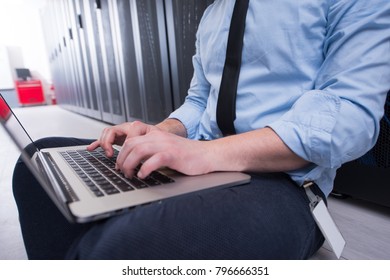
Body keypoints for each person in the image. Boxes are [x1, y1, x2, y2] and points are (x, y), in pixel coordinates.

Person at [13, 0, 390, 259]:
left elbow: (350, 117)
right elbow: (198, 103)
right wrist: (156, 133)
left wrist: (205, 154)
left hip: (284, 183)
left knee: (125, 246)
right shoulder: (214, 13)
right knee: (40, 160)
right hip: (199, 162)